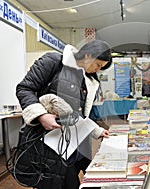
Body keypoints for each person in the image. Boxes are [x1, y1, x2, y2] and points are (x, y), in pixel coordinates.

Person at [14, 40, 112, 188]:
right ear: (88, 55)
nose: (97, 70)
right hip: (47, 143)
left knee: (70, 181)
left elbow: (78, 114)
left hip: (72, 146)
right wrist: (41, 116)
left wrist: (96, 130)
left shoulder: (89, 79)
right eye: (98, 65)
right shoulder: (53, 62)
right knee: (52, 182)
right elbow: (24, 88)